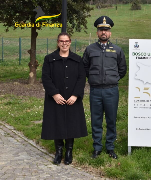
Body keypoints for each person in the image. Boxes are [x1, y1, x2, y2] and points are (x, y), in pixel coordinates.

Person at [82, 16, 127, 159]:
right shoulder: (90, 49)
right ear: (97, 32)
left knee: (111, 119)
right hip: (95, 90)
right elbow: (85, 67)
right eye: (101, 30)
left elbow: (122, 69)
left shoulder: (117, 50)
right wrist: (93, 79)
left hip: (111, 90)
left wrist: (112, 79)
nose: (103, 32)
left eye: (106, 30)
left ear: (110, 33)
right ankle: (97, 147)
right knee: (96, 119)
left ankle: (110, 147)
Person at [41, 32, 88, 165]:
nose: (64, 43)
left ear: (70, 42)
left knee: (71, 124)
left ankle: (69, 151)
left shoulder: (77, 59)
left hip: (72, 98)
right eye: (61, 41)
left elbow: (81, 78)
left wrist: (75, 95)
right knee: (57, 123)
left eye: (66, 41)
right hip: (55, 98)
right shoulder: (49, 59)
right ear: (58, 43)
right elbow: (46, 78)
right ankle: (59, 151)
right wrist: (54, 94)